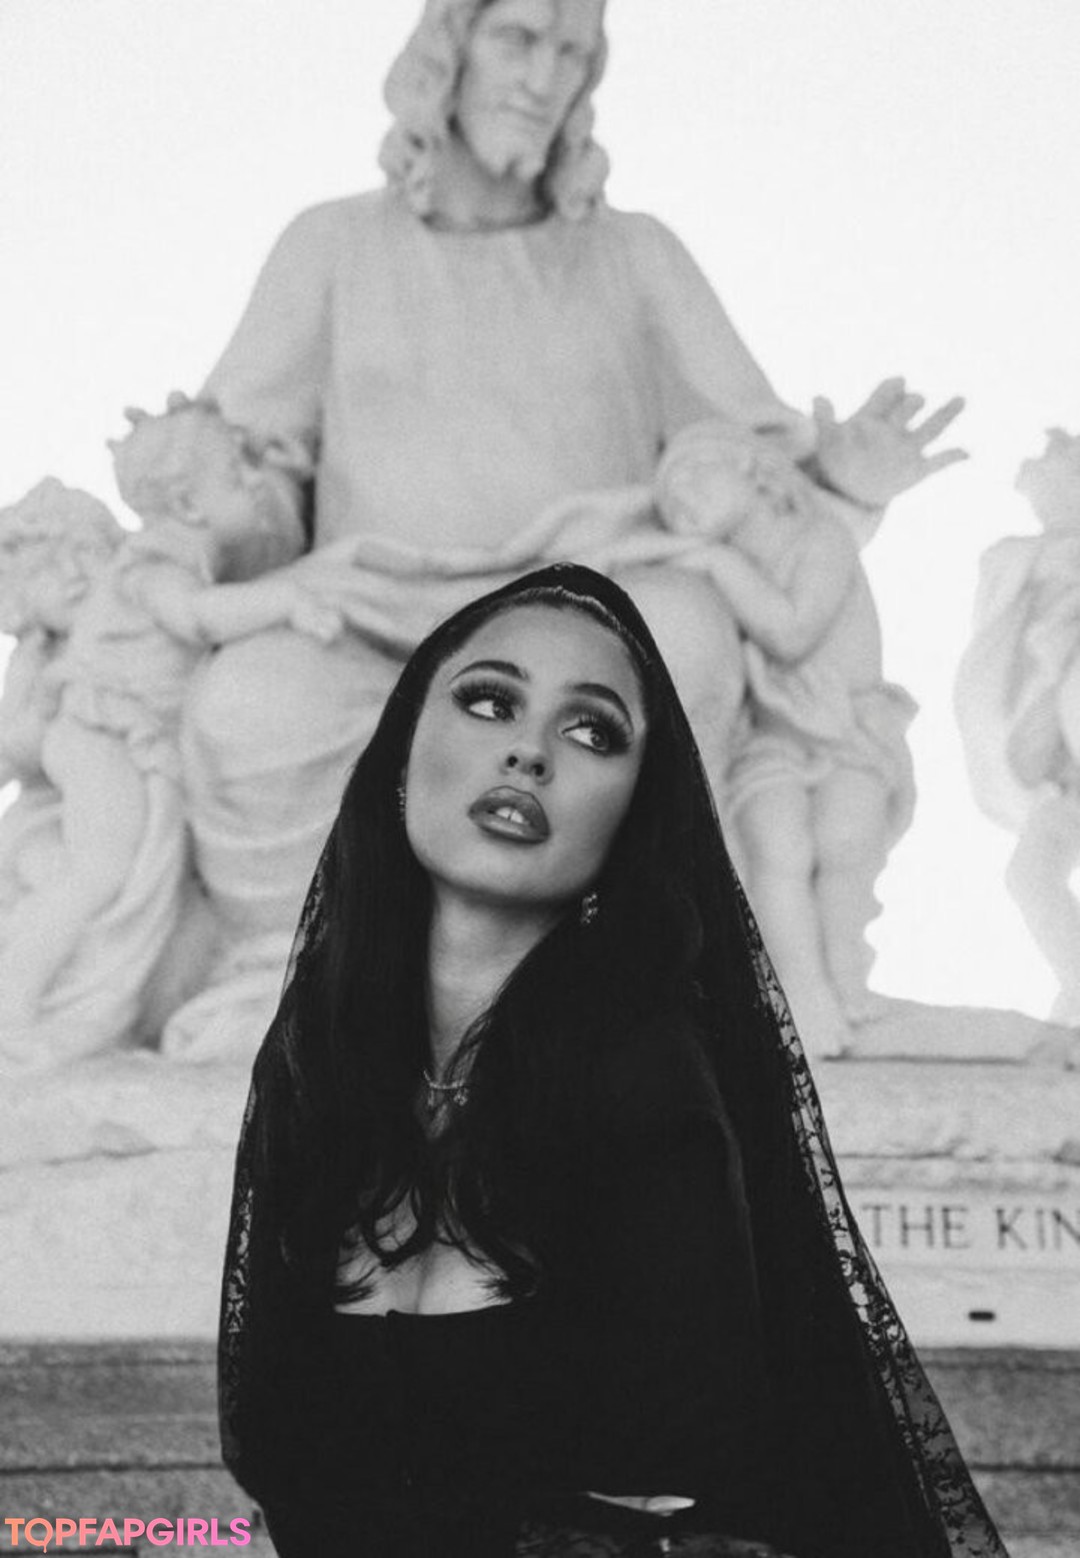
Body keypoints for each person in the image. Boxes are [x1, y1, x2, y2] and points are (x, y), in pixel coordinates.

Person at [110, 0, 964, 1060]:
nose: (543, 76)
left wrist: (844, 482)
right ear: (447, 52)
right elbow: (253, 475)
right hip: (375, 621)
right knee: (247, 702)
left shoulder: (636, 256)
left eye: (571, 52)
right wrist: (214, 544)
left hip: (587, 608)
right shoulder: (331, 246)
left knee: (681, 633)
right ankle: (300, 979)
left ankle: (623, 975)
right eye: (517, 37)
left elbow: (752, 476)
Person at [219, 564, 1007, 1558]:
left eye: (591, 730)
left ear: (633, 816)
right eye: (489, 701)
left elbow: (691, 1490)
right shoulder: (315, 1070)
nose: (528, 751)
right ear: (400, 757)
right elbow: (277, 1450)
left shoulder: (646, 1084)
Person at [655, 419, 917, 1055]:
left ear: (754, 470)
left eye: (694, 471)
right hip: (773, 740)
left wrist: (717, 563)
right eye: (665, 496)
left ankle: (847, 984)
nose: (679, 494)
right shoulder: (716, 575)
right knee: (776, 845)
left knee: (844, 839)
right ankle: (799, 994)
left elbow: (793, 632)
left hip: (848, 730)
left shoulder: (820, 537)